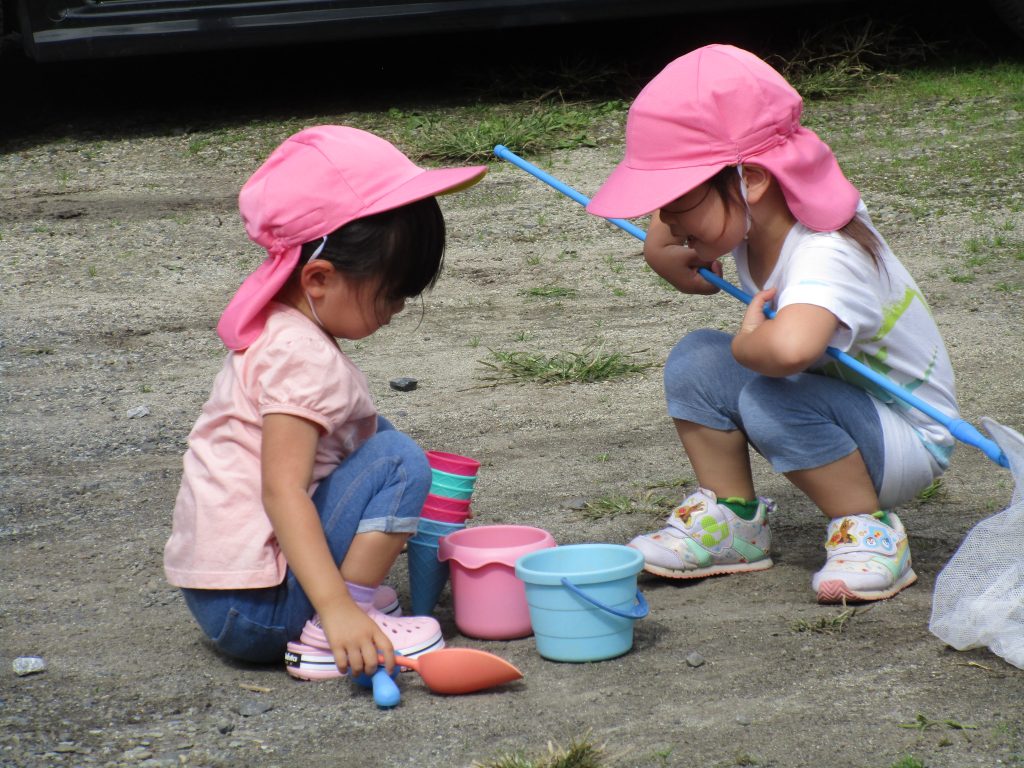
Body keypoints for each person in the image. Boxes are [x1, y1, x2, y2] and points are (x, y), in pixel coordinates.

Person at [587, 44, 959, 604]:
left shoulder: (826, 252)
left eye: (675, 202)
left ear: (752, 179)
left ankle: (867, 529)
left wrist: (746, 345)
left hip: (903, 438)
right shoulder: (757, 212)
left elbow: (788, 352)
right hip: (836, 409)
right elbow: (673, 230)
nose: (663, 219)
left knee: (767, 394)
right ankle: (733, 523)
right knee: (696, 359)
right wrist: (661, 252)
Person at [164, 126, 486, 678]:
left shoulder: (280, 329)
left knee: (373, 433)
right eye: (392, 293)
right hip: (258, 611)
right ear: (318, 277)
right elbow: (282, 489)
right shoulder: (304, 359)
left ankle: (339, 601)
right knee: (399, 460)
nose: (398, 309)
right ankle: (339, 622)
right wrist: (338, 610)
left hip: (226, 599)